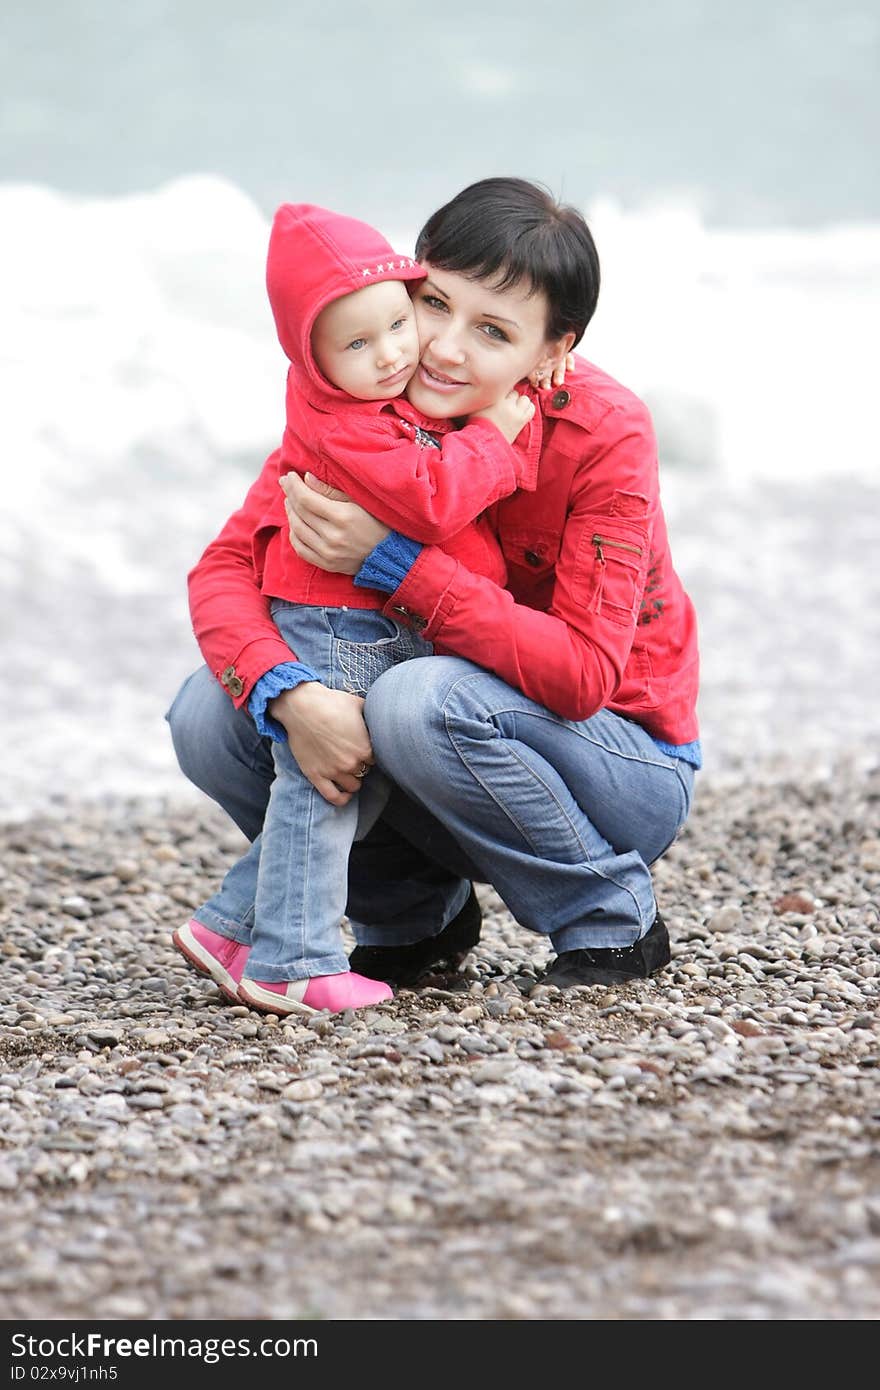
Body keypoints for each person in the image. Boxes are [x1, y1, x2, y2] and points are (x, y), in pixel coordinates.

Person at [167, 176, 700, 999]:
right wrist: (290, 695)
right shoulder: (365, 401)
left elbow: (586, 676)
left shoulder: (604, 432)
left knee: (415, 698)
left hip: (614, 760)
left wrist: (392, 562)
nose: (443, 349)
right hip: (437, 752)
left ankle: (609, 917)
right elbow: (226, 569)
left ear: (552, 353)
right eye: (434, 303)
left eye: (492, 331)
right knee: (212, 710)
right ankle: (413, 920)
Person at [173, 201, 542, 1016]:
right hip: (343, 626)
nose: (393, 356)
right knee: (325, 783)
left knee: (354, 784)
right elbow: (433, 499)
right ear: (311, 358)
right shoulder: (343, 428)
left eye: (399, 324)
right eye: (356, 345)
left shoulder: (374, 402)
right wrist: (495, 436)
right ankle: (294, 961)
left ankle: (232, 927)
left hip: (361, 624)